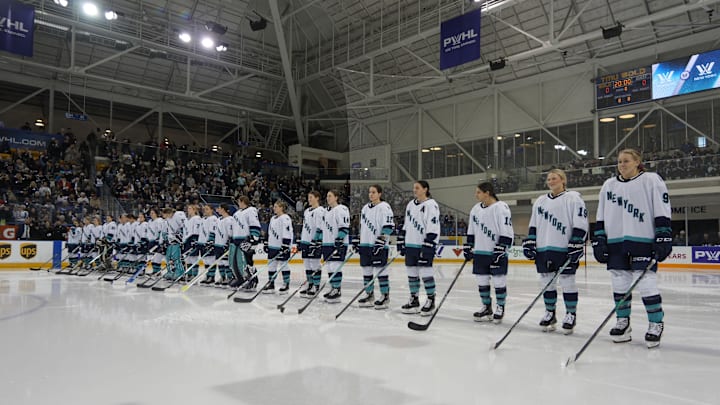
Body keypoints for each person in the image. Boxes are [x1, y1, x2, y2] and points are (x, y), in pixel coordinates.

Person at [592, 149, 671, 348]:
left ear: (637, 162)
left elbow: (661, 209)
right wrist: (599, 240)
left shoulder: (651, 180)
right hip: (616, 242)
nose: (622, 164)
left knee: (646, 283)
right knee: (619, 283)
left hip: (642, 240)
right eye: (619, 161)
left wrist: (663, 236)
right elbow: (600, 216)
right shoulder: (608, 185)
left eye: (626, 161)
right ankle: (623, 321)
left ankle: (655, 323)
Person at [522, 169, 588, 333]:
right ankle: (550, 313)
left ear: (563, 180)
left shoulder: (573, 198)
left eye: (554, 178)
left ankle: (570, 314)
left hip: (564, 248)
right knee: (546, 282)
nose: (551, 181)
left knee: (567, 282)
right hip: (543, 248)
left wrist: (576, 242)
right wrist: (530, 242)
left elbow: (581, 222)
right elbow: (533, 224)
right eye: (549, 179)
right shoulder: (540, 201)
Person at [465, 182, 514, 323]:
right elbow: (471, 230)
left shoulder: (501, 207)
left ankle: (500, 307)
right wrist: (469, 246)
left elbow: (507, 230)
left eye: (478, 192)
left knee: (499, 282)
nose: (476, 195)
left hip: (496, 252)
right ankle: (486, 307)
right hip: (480, 252)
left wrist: (502, 247)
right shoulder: (475, 209)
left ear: (487, 193)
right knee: (482, 282)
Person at [398, 180, 440, 316]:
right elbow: (406, 224)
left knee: (426, 273)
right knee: (412, 273)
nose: (414, 190)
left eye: (417, 188)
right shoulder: (410, 205)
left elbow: (433, 226)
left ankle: (430, 300)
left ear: (425, 189)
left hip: (423, 245)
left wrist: (428, 243)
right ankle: (414, 299)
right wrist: (401, 240)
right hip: (411, 245)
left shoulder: (431, 205)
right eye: (413, 188)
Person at [356, 185, 394, 309]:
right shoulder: (365, 208)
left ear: (379, 194)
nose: (371, 194)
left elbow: (388, 226)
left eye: (373, 192)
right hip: (365, 244)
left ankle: (385, 296)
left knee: (380, 270)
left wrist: (381, 241)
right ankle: (369, 294)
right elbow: (362, 227)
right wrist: (359, 241)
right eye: (369, 192)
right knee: (366, 270)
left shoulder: (384, 207)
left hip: (378, 244)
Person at [321, 189, 350, 303]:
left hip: (338, 243)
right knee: (329, 267)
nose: (328, 198)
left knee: (335, 266)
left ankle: (337, 290)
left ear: (336, 197)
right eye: (327, 196)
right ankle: (333, 287)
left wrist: (339, 239)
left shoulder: (342, 209)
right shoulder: (325, 211)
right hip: (327, 243)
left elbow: (345, 227)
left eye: (330, 196)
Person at [262, 201, 294, 294]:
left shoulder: (285, 218)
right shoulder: (272, 218)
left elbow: (287, 232)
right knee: (271, 265)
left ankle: (286, 284)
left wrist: (285, 245)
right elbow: (269, 232)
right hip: (272, 246)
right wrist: (266, 242)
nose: (274, 208)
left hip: (281, 246)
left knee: (284, 265)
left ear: (281, 208)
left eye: (276, 206)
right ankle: (271, 284)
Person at [299, 191, 324, 298]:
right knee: (307, 265)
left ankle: (316, 286)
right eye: (308, 197)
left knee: (315, 264)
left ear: (317, 198)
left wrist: (317, 241)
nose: (309, 199)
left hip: (313, 242)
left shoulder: (320, 211)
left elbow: (321, 227)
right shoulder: (306, 211)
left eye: (311, 197)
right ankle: (310, 284)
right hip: (305, 241)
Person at [236, 196, 262, 290]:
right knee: (246, 261)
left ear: (243, 202)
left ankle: (253, 280)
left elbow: (255, 224)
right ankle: (249, 279)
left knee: (248, 260)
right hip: (244, 239)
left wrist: (253, 237)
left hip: (250, 239)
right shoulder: (240, 212)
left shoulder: (251, 210)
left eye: (239, 201)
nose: (238, 203)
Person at [199, 204, 219, 284]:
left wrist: (210, 241)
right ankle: (207, 275)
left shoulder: (213, 219)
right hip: (203, 242)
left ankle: (211, 276)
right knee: (206, 260)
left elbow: (213, 231)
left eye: (207, 209)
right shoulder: (203, 219)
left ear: (211, 210)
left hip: (209, 243)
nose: (205, 210)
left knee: (211, 260)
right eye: (204, 209)